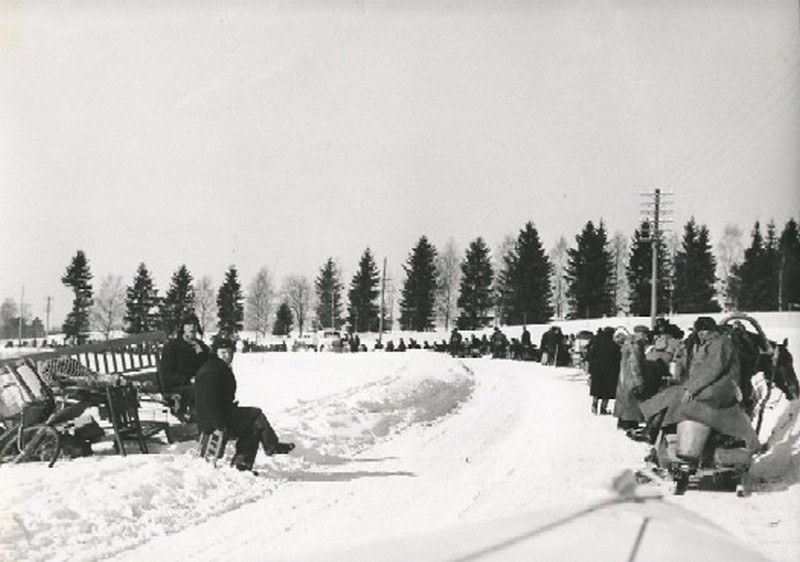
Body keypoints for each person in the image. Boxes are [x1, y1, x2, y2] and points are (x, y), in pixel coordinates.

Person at [194, 337, 295, 472]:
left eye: (230, 353)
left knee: (254, 427)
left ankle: (242, 465)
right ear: (216, 353)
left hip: (221, 415)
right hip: (214, 420)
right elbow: (208, 401)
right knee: (256, 414)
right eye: (223, 352)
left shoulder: (218, 367)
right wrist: (218, 425)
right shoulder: (212, 371)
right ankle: (271, 446)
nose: (227, 356)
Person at [158, 314, 210, 419]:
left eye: (195, 325)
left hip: (198, 383)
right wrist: (188, 379)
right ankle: (200, 420)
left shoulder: (201, 347)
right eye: (189, 324)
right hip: (175, 386)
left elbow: (208, 365)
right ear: (183, 328)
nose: (192, 327)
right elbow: (166, 372)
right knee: (200, 391)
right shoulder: (172, 347)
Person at [586, 327, 621, 415]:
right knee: (607, 391)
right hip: (610, 370)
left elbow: (591, 356)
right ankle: (603, 408)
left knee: (596, 389)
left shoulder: (597, 344)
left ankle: (594, 405)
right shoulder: (614, 345)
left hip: (597, 369)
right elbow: (617, 359)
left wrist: (591, 369)